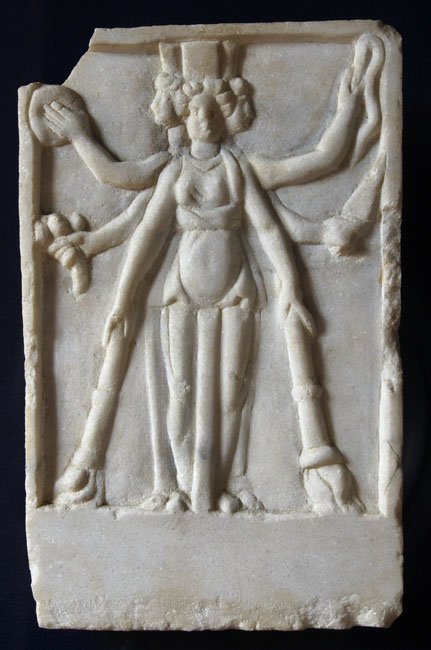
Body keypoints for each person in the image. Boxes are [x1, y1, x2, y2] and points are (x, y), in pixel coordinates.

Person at [44, 37, 383, 514]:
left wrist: (291, 287)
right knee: (180, 392)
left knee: (232, 392)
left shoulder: (239, 169)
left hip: (236, 291)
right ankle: (181, 488)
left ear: (227, 115)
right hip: (181, 294)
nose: (203, 118)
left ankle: (225, 486)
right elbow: (142, 230)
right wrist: (121, 299)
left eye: (212, 110)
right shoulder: (174, 172)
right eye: (194, 110)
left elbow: (284, 208)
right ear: (180, 115)